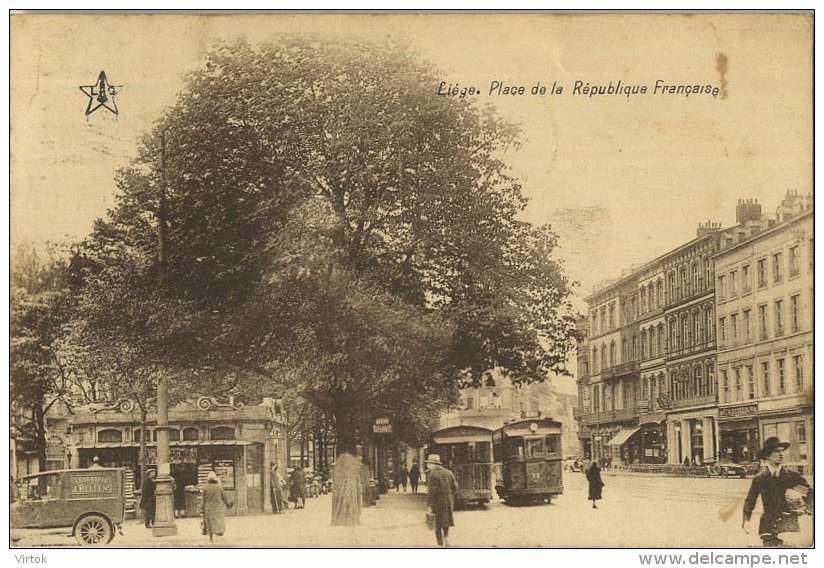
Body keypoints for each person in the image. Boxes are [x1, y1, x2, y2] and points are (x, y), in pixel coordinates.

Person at [743, 437, 813, 547]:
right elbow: (750, 501)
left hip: (789, 525)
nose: (781, 454)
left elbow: (810, 495)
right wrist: (746, 520)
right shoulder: (759, 479)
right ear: (767, 456)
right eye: (776, 451)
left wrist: (805, 509)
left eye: (782, 451)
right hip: (767, 527)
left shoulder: (793, 477)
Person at [425, 454, 458, 547]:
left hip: (437, 500)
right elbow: (456, 487)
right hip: (448, 499)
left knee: (437, 521)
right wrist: (449, 494)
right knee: (446, 520)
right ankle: (447, 539)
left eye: (428, 463)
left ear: (433, 464)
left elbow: (431, 491)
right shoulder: (449, 473)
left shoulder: (431, 474)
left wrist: (430, 504)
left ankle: (440, 543)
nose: (428, 465)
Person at [200, 471, 233, 543]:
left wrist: (201, 510)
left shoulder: (205, 488)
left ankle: (211, 539)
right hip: (218, 509)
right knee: (218, 523)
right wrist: (229, 505)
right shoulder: (220, 487)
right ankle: (218, 536)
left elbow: (203, 500)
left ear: (208, 479)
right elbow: (225, 498)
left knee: (209, 525)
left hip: (208, 509)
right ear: (216, 479)